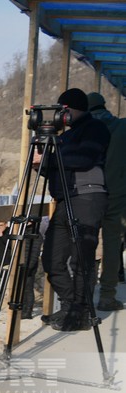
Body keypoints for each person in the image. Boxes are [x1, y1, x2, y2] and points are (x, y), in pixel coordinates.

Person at [39, 88, 111, 331]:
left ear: (70, 109)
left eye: (63, 111)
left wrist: (52, 155)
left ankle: (78, 313)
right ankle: (71, 305)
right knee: (51, 258)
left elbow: (84, 159)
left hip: (88, 197)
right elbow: (51, 167)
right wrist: (43, 156)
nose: (60, 117)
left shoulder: (95, 128)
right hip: (64, 199)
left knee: (81, 259)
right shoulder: (65, 136)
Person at [87, 92, 126, 311]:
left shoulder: (85, 130)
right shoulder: (122, 127)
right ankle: (107, 296)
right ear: (105, 106)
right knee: (112, 245)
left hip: (89, 195)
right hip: (117, 196)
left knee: (84, 242)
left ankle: (82, 295)